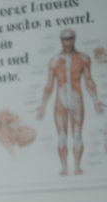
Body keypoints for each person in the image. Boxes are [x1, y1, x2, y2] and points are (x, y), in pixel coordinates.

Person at [35, 28, 104, 177]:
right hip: (60, 98)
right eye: (66, 39)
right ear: (61, 40)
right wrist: (42, 106)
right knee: (62, 135)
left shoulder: (84, 58)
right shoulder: (54, 60)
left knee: (77, 134)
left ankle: (77, 167)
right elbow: (49, 85)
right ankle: (64, 168)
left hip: (76, 96)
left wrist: (96, 100)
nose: (68, 41)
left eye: (71, 38)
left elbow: (89, 81)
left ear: (74, 39)